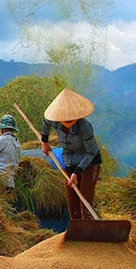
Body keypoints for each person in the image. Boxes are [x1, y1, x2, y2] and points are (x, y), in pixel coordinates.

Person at [41, 88, 102, 220]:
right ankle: (77, 229)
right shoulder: (55, 121)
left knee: (85, 197)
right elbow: (46, 121)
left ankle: (91, 227)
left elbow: (91, 151)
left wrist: (76, 172)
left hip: (89, 161)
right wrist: (44, 142)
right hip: (69, 160)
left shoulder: (84, 127)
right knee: (72, 198)